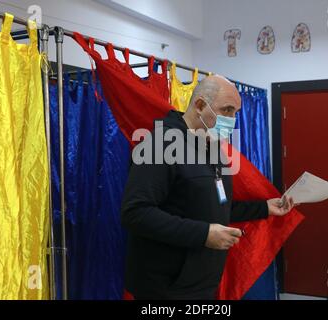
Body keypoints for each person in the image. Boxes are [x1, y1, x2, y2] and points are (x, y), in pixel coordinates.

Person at [121, 75, 296, 300]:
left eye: (236, 112)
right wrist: (204, 234)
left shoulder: (213, 147)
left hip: (202, 281)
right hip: (165, 287)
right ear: (200, 105)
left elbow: (218, 206)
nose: (232, 119)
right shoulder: (158, 145)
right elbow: (134, 213)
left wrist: (264, 207)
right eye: (226, 110)